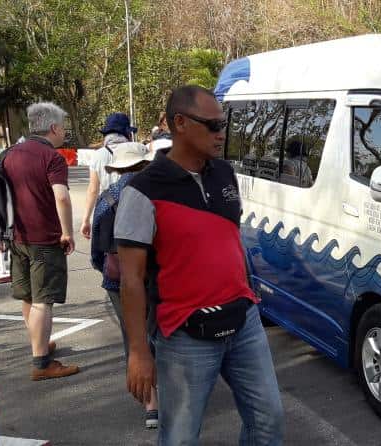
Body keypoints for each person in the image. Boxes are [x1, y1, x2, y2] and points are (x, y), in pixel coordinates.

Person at [116, 85, 284, 445]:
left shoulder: (224, 173)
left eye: (223, 124)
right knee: (179, 437)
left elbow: (225, 242)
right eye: (212, 125)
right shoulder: (142, 190)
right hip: (184, 334)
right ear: (179, 123)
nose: (221, 132)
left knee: (269, 421)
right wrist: (138, 352)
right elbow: (131, 279)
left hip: (243, 321)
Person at [2, 102, 79, 380]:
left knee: (28, 296)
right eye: (63, 127)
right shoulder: (52, 158)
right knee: (43, 300)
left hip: (16, 236)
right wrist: (67, 231)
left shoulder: (10, 153)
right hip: (44, 239)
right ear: (54, 127)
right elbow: (61, 196)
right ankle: (42, 362)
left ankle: (40, 344)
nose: (64, 133)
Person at [89, 141, 158, 428]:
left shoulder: (107, 197)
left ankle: (151, 405)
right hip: (155, 276)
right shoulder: (158, 193)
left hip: (118, 279)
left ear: (116, 169)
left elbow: (96, 248)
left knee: (134, 337)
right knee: (159, 333)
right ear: (145, 164)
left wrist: (103, 269)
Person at [80, 112, 137, 239]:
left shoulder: (98, 155)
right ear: (127, 133)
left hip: (107, 211)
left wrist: (86, 219)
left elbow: (93, 190)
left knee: (109, 254)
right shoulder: (137, 150)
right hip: (133, 211)